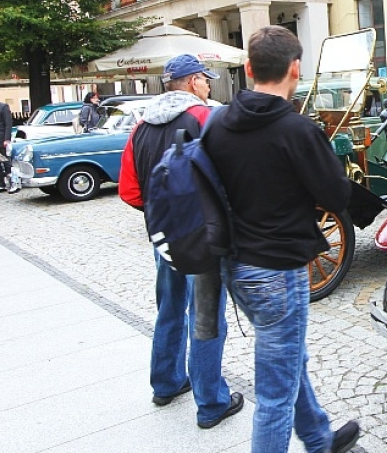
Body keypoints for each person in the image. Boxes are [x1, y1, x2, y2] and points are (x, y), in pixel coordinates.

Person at [203, 26, 360, 453]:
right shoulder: (297, 130)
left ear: (250, 69)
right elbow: (336, 196)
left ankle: (318, 438)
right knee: (275, 393)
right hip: (279, 271)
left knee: (288, 360)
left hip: (236, 267)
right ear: (295, 69)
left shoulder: (218, 124)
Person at [118, 55, 242, 429]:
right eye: (205, 79)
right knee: (205, 317)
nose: (208, 85)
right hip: (203, 240)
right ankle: (211, 402)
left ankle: (166, 383)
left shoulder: (140, 127)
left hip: (163, 238)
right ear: (192, 83)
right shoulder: (205, 118)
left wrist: (161, 213)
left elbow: (128, 191)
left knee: (169, 308)